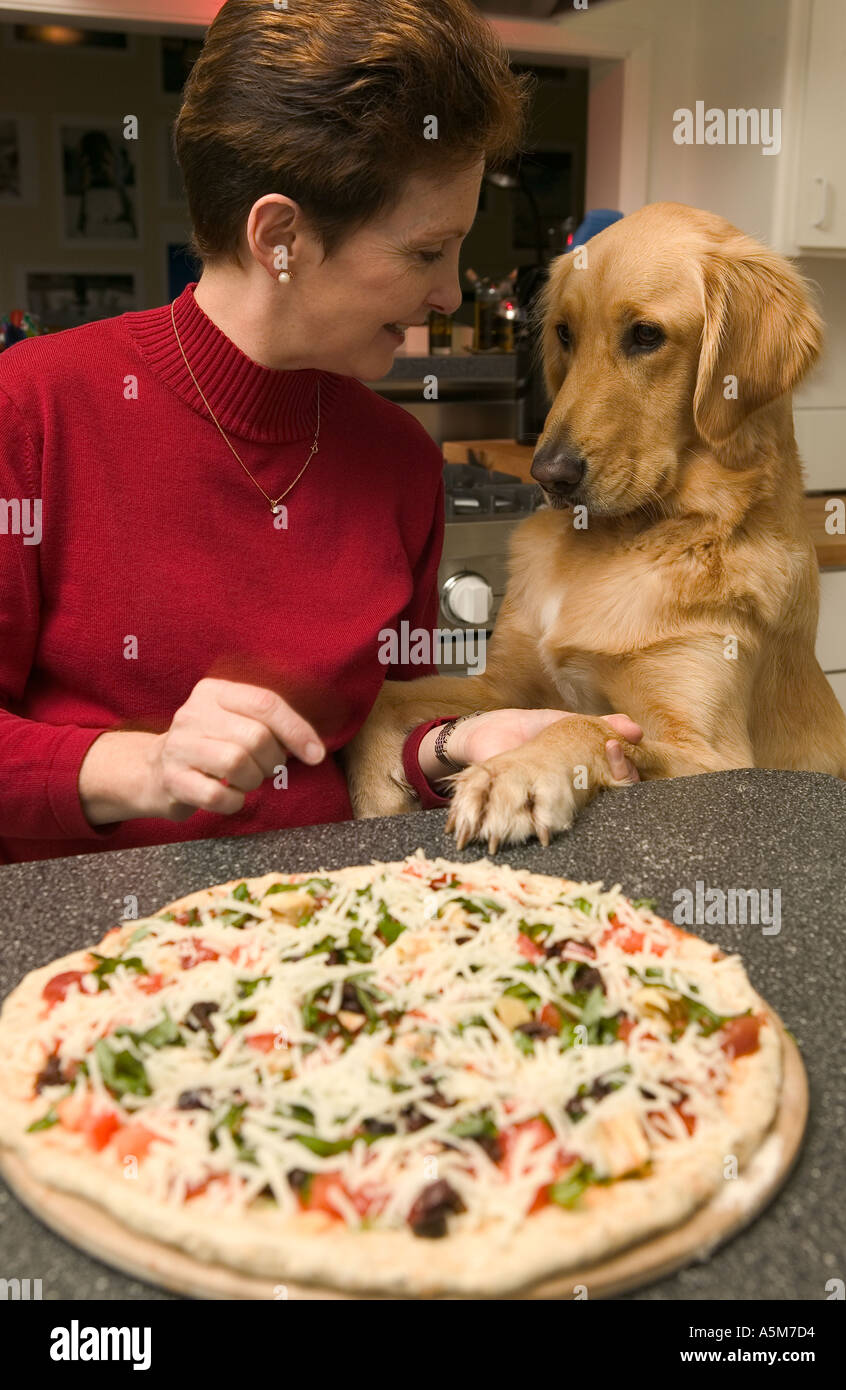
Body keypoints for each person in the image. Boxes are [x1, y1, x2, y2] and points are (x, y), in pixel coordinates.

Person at [0, 0, 638, 867]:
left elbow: (373, 746)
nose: (450, 293)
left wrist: (458, 743)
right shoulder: (32, 410)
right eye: (424, 253)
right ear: (281, 238)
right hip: (96, 954)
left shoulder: (400, 462)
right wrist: (143, 767)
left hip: (331, 934)